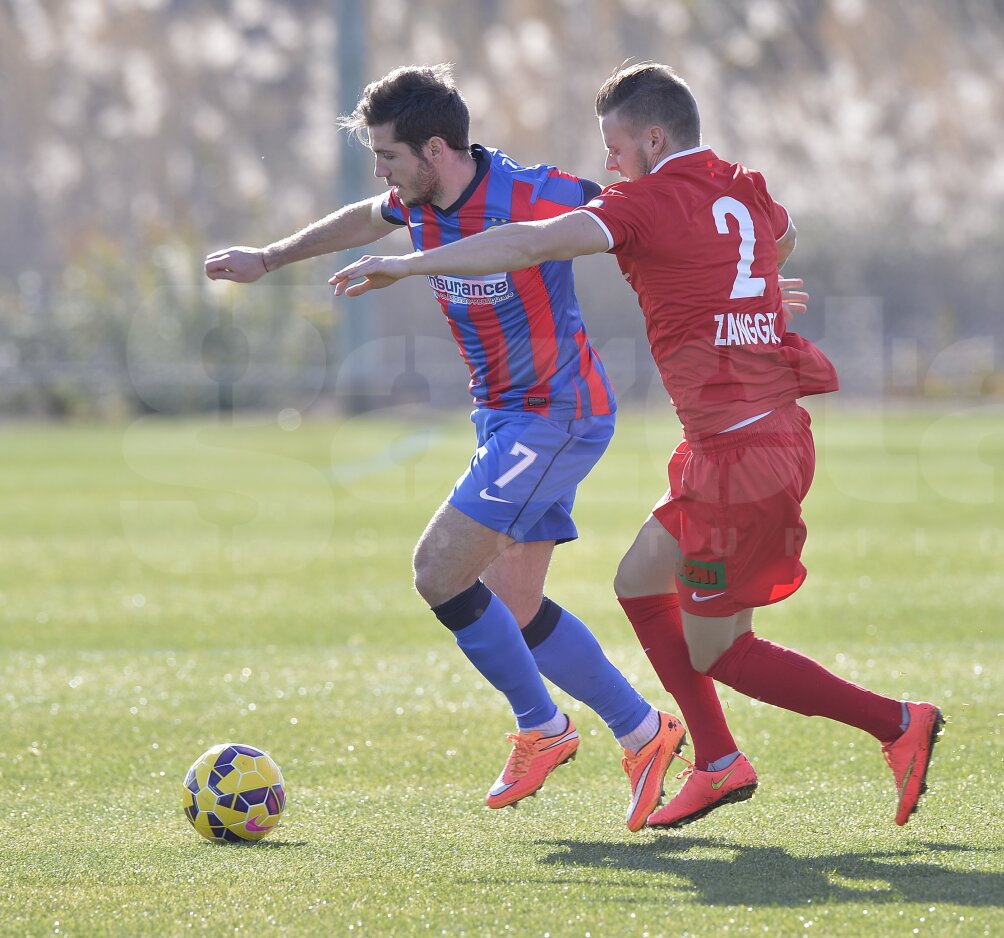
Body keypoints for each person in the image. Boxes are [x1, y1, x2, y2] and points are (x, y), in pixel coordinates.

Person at [328, 62, 945, 831]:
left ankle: (896, 723)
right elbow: (782, 238)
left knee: (720, 647)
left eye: (615, 148)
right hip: (747, 437)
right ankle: (715, 762)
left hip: (742, 455)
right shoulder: (738, 182)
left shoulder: (644, 202)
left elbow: (526, 244)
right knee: (638, 584)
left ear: (653, 139)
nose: (608, 165)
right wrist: (738, 284)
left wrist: (409, 263)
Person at [204, 64, 686, 833]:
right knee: (516, 606)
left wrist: (742, 275)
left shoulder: (535, 193)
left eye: (390, 157)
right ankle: (642, 732)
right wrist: (270, 257)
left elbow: (648, 209)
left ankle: (544, 726)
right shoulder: (415, 197)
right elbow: (366, 216)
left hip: (557, 415)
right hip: (502, 419)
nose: (382, 175)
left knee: (438, 569)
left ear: (436, 149)